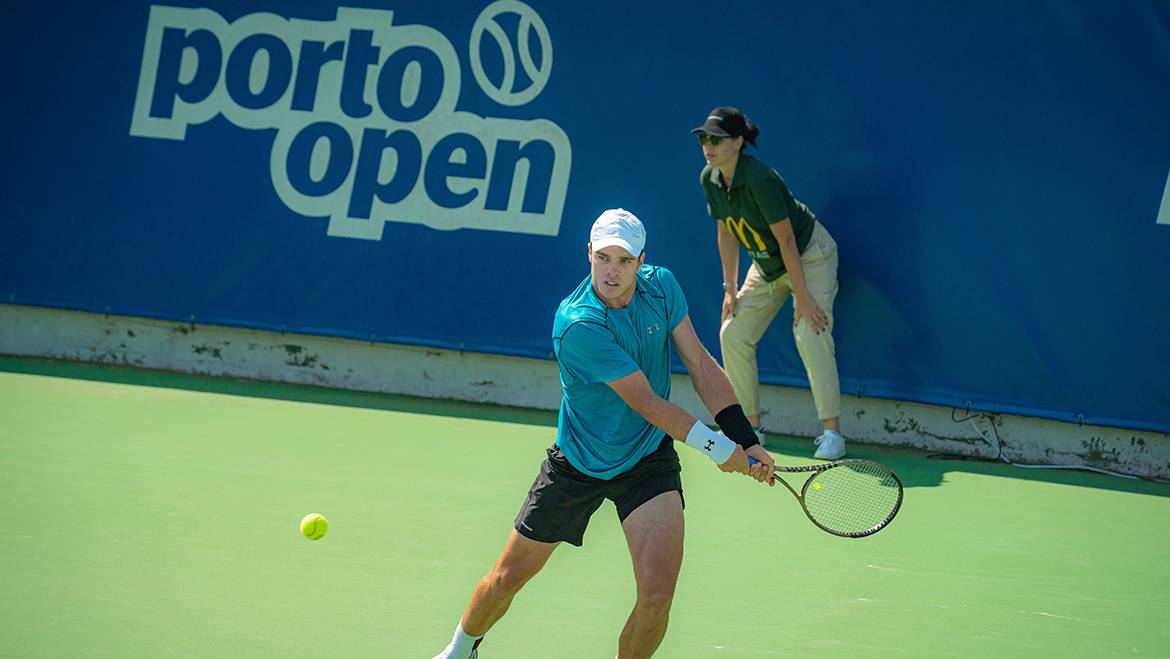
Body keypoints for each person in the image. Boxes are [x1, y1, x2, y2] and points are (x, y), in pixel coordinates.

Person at [433, 208, 775, 659]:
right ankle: (459, 651)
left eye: (625, 260)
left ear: (641, 261)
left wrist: (744, 437)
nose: (612, 271)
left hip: (646, 461)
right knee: (506, 579)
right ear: (589, 254)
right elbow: (648, 403)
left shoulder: (662, 287)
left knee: (657, 599)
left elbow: (700, 364)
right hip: (578, 463)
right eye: (604, 258)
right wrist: (718, 449)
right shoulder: (578, 324)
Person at [692, 106, 847, 460]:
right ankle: (750, 428)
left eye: (716, 139)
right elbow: (726, 233)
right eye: (704, 138)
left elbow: (788, 240)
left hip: (809, 256)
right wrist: (729, 288)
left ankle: (832, 433)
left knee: (811, 330)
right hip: (766, 265)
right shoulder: (709, 179)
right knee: (733, 332)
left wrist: (803, 297)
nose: (707, 145)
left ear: (738, 142)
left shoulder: (759, 178)